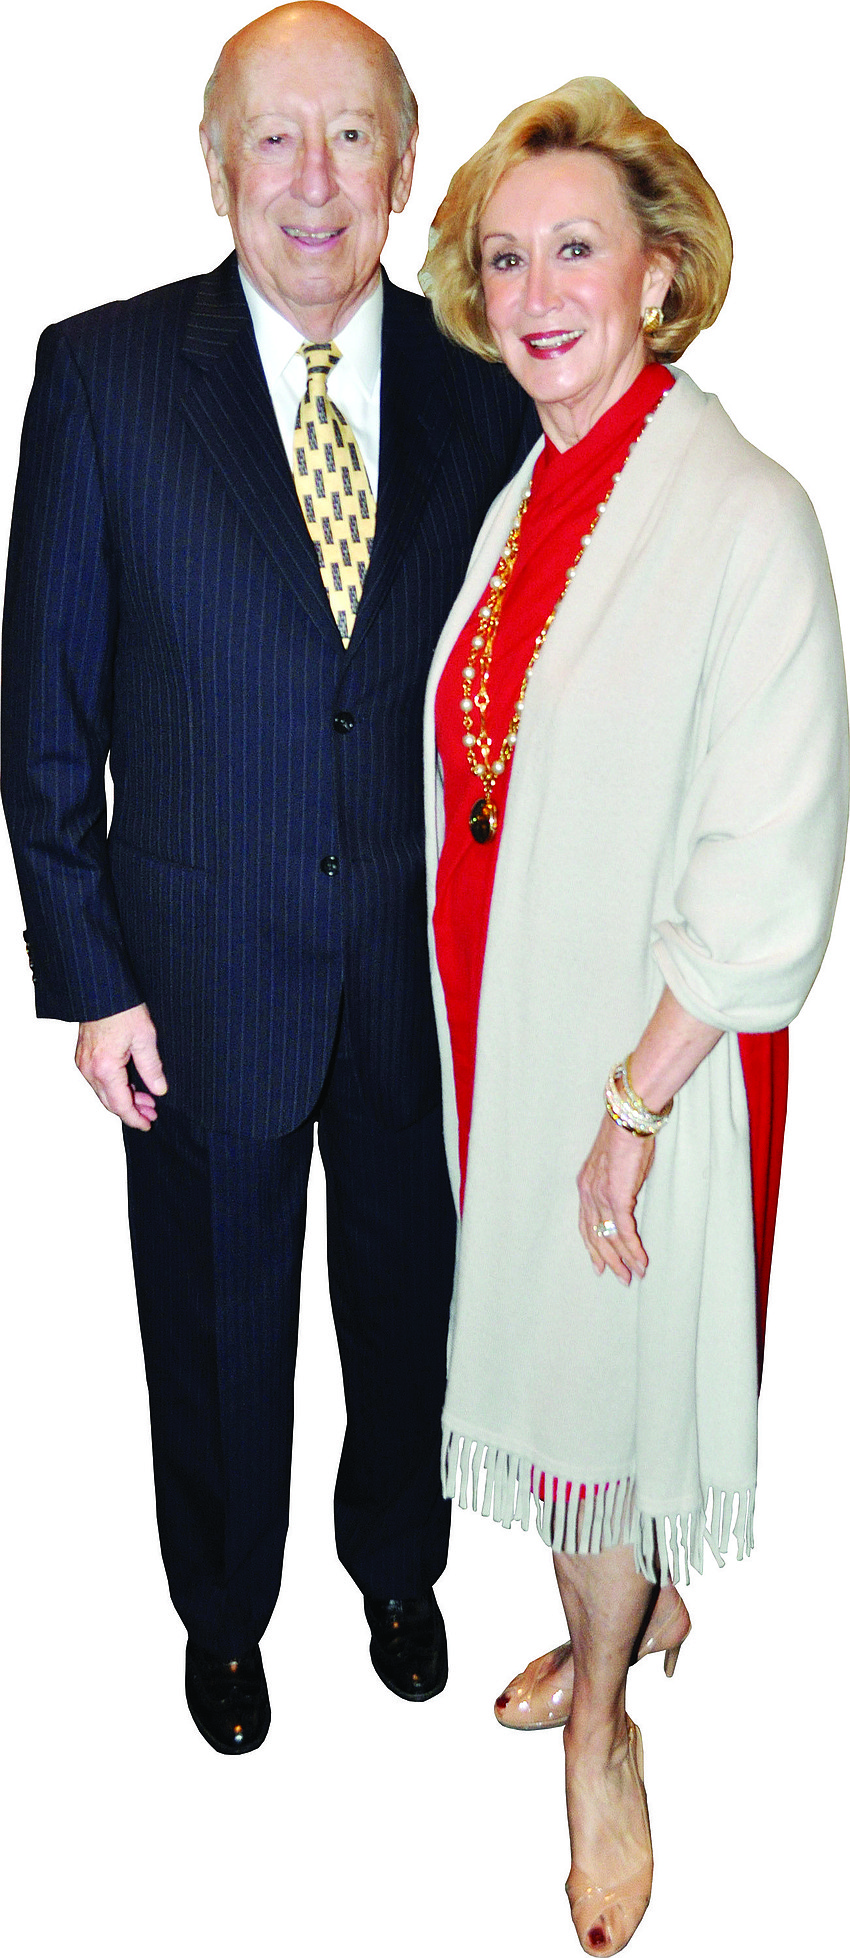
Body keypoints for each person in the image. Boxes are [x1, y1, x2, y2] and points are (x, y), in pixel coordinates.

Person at [0, 2, 537, 1755]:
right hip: (194, 970)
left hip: (419, 972)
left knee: (408, 1299)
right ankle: (222, 1613)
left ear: (403, 155)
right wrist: (87, 972)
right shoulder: (98, 375)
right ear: (216, 165)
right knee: (215, 1326)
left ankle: (397, 1557)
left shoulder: (483, 390)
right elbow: (43, 702)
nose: (316, 182)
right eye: (276, 137)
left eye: (354, 134)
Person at [420, 78, 847, 1953]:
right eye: (503, 259)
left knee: (588, 1402)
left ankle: (602, 1725)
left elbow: (772, 849)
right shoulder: (529, 494)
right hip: (499, 1031)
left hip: (637, 1065)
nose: (531, 291)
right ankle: (639, 1603)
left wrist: (635, 1099)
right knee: (560, 1384)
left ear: (660, 276)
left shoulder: (740, 508)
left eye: (573, 248)